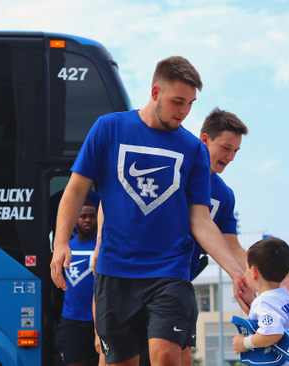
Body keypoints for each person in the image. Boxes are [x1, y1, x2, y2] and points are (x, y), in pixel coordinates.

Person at [50, 56, 247, 366]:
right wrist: (61, 242)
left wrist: (236, 272)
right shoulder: (109, 128)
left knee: (167, 354)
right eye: (177, 101)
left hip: (169, 272)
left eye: (190, 104)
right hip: (115, 271)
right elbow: (76, 189)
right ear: (156, 93)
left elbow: (200, 218)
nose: (184, 111)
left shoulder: (193, 149)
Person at [181, 107, 248, 366]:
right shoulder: (175, 169)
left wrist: (269, 276)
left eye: (236, 152)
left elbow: (233, 247)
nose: (231, 157)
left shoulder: (224, 194)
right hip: (138, 274)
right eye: (226, 148)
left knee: (178, 354)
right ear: (205, 139)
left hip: (179, 282)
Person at [232, 236, 289, 365]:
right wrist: (252, 302)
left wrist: (244, 343)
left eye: (246, 267)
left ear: (254, 272)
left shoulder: (263, 303)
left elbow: (273, 333)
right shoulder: (285, 295)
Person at [56, 201, 99, 366]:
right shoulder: (65, 247)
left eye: (92, 216)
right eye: (83, 216)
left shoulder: (103, 245)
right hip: (72, 321)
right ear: (75, 219)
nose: (87, 220)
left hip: (102, 320)